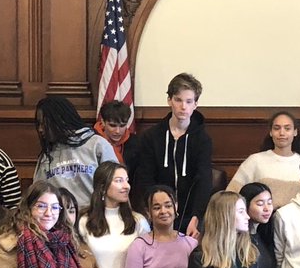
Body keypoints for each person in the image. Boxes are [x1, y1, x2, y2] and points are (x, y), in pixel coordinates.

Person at [130, 73, 213, 234]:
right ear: (169, 100)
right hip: (158, 213)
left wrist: (196, 217)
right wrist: (152, 212)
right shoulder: (151, 136)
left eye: (189, 101)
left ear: (196, 104)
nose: (183, 107)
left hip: (190, 216)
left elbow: (204, 181)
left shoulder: (202, 139)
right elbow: (145, 178)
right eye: (178, 100)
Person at [33, 95, 115, 211]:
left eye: (44, 124)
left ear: (60, 120)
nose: (41, 129)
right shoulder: (47, 155)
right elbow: (38, 193)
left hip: (94, 219)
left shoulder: (97, 144)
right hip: (59, 221)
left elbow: (114, 185)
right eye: (39, 124)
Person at [226, 111, 300, 208]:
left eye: (287, 128)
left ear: (295, 132)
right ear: (271, 132)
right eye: (277, 128)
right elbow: (231, 194)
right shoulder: (255, 160)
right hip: (264, 220)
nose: (282, 133)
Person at [239, 182, 276, 268]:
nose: (267, 208)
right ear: (245, 206)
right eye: (260, 204)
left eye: (269, 203)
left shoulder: (266, 234)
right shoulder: (238, 239)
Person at [94, 99, 132, 165]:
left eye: (122, 126)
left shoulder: (135, 143)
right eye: (112, 125)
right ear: (103, 122)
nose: (118, 131)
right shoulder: (93, 142)